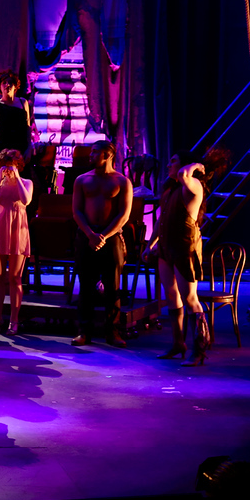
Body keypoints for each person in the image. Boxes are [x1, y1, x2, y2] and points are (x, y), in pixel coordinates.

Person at [148, 152, 215, 365]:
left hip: (185, 247)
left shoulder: (193, 184)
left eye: (173, 160)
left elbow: (185, 175)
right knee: (171, 295)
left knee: (189, 299)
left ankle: (200, 350)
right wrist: (151, 244)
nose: (168, 163)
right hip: (167, 247)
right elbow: (161, 219)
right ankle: (178, 343)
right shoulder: (171, 189)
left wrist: (194, 164)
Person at [70, 140, 133, 347]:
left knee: (113, 286)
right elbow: (77, 211)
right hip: (86, 236)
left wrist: (104, 236)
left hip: (111, 237)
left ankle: (112, 332)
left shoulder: (122, 181)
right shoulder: (82, 179)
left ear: (108, 155)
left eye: (95, 152)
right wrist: (90, 234)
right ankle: (84, 331)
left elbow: (124, 215)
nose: (90, 156)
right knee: (86, 285)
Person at [0, 149, 34, 335]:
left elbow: (26, 200)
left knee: (15, 278)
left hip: (18, 229)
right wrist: (0, 182)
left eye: (12, 164)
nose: (8, 168)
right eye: (5, 164)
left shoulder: (27, 182)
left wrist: (17, 178)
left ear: (18, 165)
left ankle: (14, 321)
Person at [0, 69, 32, 168]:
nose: (7, 85)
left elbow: (28, 127)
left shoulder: (23, 103)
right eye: (4, 83)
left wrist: (29, 148)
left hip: (20, 149)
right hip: (2, 150)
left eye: (10, 83)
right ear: (0, 86)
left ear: (15, 86)